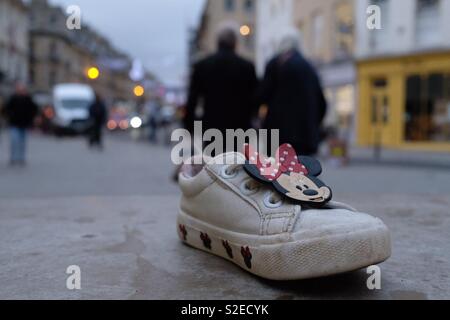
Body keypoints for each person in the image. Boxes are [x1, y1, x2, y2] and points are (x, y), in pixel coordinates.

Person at [259, 30, 327, 156]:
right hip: (305, 137)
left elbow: (262, 95)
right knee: (303, 173)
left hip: (278, 138)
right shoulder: (309, 67)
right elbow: (322, 103)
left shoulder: (275, 64)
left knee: (277, 173)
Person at [184, 27, 259, 137]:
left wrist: (189, 125)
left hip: (212, 126)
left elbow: (193, 98)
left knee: (213, 154)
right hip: (239, 127)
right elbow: (255, 98)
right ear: (235, 43)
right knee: (237, 154)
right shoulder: (247, 67)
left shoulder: (202, 66)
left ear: (217, 42)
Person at [2, 83, 38, 166]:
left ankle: (21, 158)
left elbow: (34, 109)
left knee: (22, 142)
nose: (21, 91)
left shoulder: (28, 99)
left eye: (22, 89)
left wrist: (31, 118)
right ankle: (13, 158)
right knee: (14, 141)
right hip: (14, 124)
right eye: (19, 89)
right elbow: (5, 109)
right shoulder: (13, 98)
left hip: (24, 124)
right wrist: (9, 116)